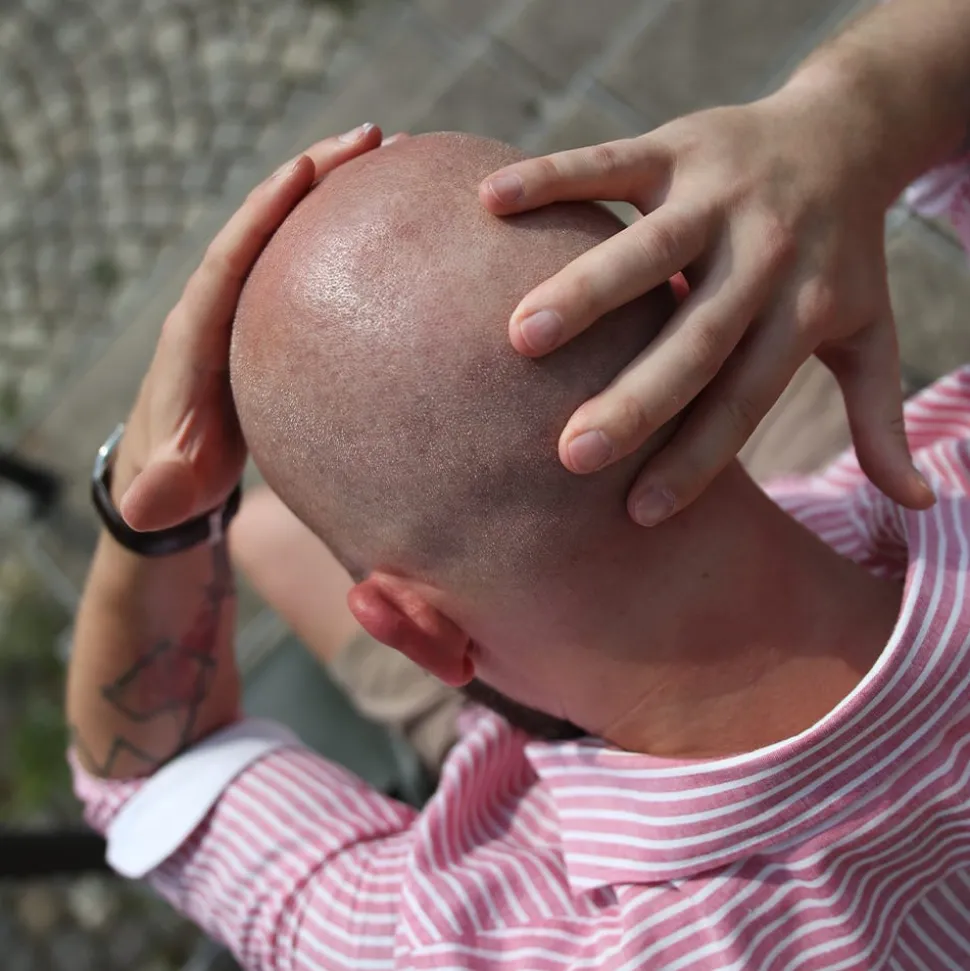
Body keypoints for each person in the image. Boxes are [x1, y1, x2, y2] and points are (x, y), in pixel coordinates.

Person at [61, 4, 970, 971]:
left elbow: (156, 774)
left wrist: (158, 518)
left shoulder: (462, 942)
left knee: (262, 533)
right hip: (837, 499)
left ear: (416, 634)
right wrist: (840, 116)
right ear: (704, 317)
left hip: (527, 737)